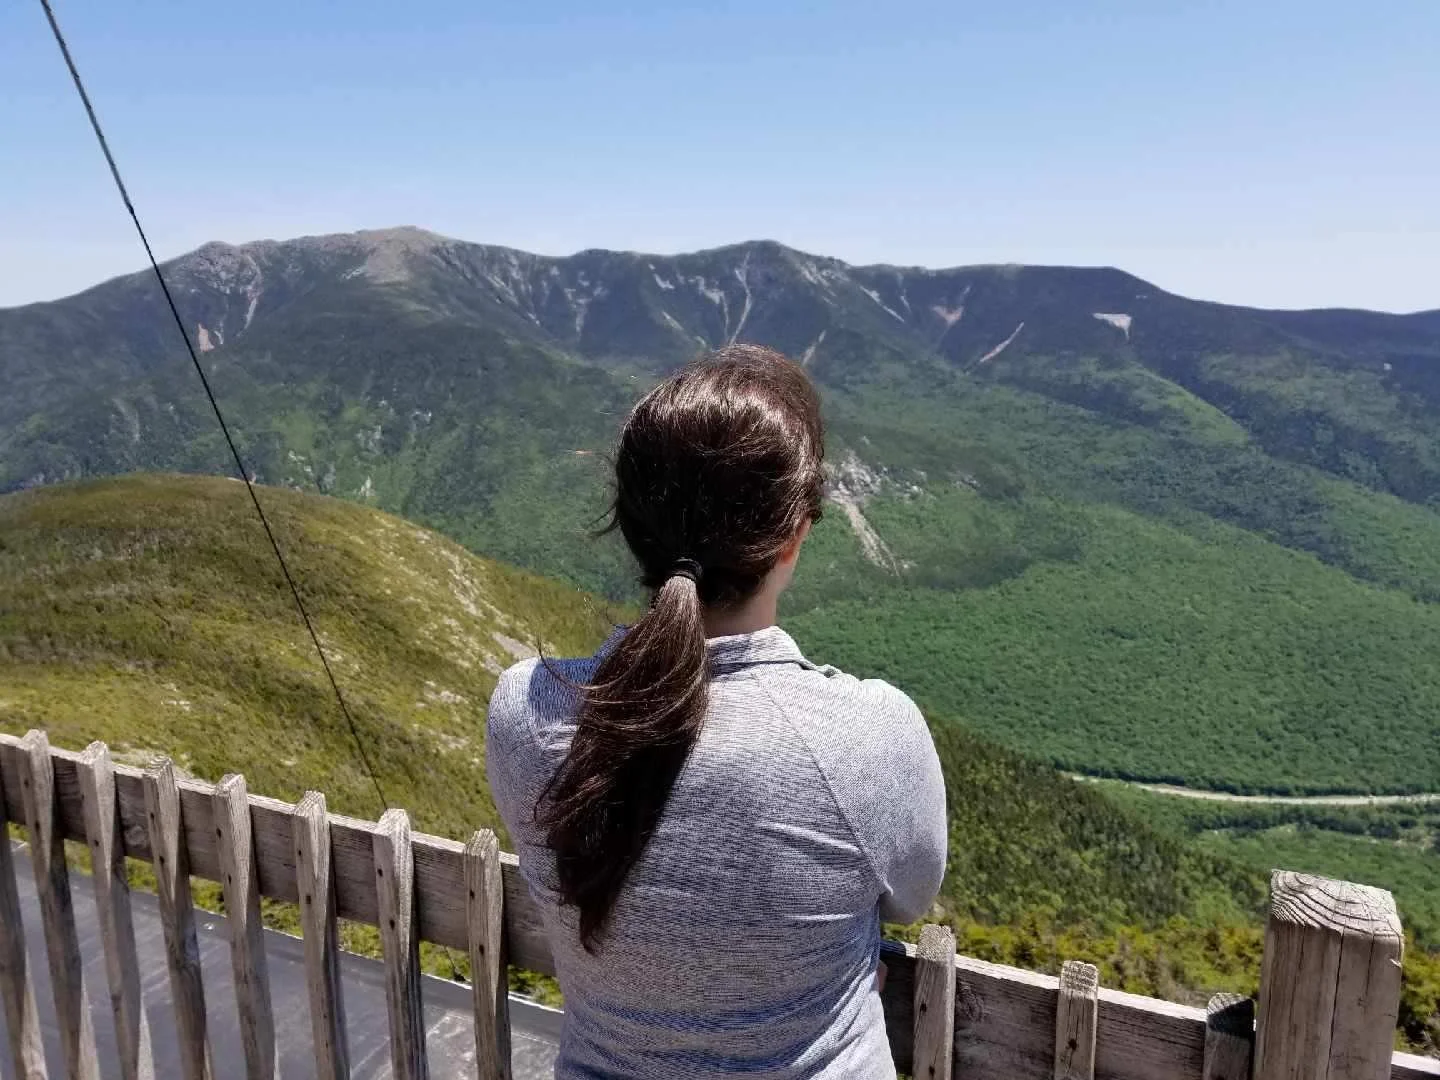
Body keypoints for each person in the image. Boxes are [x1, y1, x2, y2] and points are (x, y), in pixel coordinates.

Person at [486, 344, 947, 1079]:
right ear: (794, 535)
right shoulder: (868, 738)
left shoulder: (526, 713)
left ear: (632, 527)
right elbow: (909, 900)